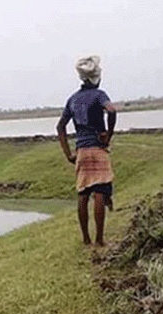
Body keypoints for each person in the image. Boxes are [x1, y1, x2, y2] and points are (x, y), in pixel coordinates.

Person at [56, 55, 117, 247]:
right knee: (100, 191)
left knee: (83, 193)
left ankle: (86, 238)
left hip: (81, 150)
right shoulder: (99, 95)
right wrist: (109, 133)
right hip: (98, 149)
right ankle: (99, 239)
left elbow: (60, 127)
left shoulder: (73, 99)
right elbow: (112, 111)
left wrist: (68, 154)